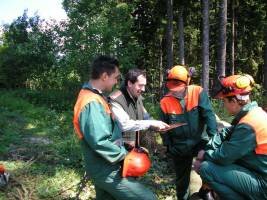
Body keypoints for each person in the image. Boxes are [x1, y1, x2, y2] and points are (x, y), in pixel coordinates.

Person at [73, 55, 157, 200]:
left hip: (105, 164)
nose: (117, 82)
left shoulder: (96, 97)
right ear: (105, 76)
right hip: (105, 168)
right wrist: (125, 156)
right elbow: (99, 141)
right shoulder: (91, 102)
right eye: (116, 77)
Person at [194, 74, 267, 200]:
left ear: (233, 101)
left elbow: (224, 156)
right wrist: (209, 148)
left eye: (224, 101)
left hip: (263, 185)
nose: (224, 105)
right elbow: (227, 132)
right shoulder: (254, 113)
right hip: (258, 172)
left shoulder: (248, 125)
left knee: (205, 168)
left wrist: (204, 155)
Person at [159, 65, 217, 200]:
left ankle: (205, 195)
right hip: (179, 146)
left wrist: (213, 140)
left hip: (200, 141)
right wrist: (169, 146)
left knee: (209, 172)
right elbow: (164, 128)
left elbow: (209, 116)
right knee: (182, 182)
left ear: (187, 83)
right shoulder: (165, 102)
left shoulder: (197, 92)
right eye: (172, 89)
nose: (175, 92)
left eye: (178, 89)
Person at [109, 68, 169, 150]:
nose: (143, 89)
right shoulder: (115, 100)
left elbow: (146, 117)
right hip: (118, 152)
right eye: (140, 85)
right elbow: (125, 125)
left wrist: (157, 127)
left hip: (134, 150)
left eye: (144, 85)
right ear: (130, 83)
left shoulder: (137, 97)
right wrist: (151, 123)